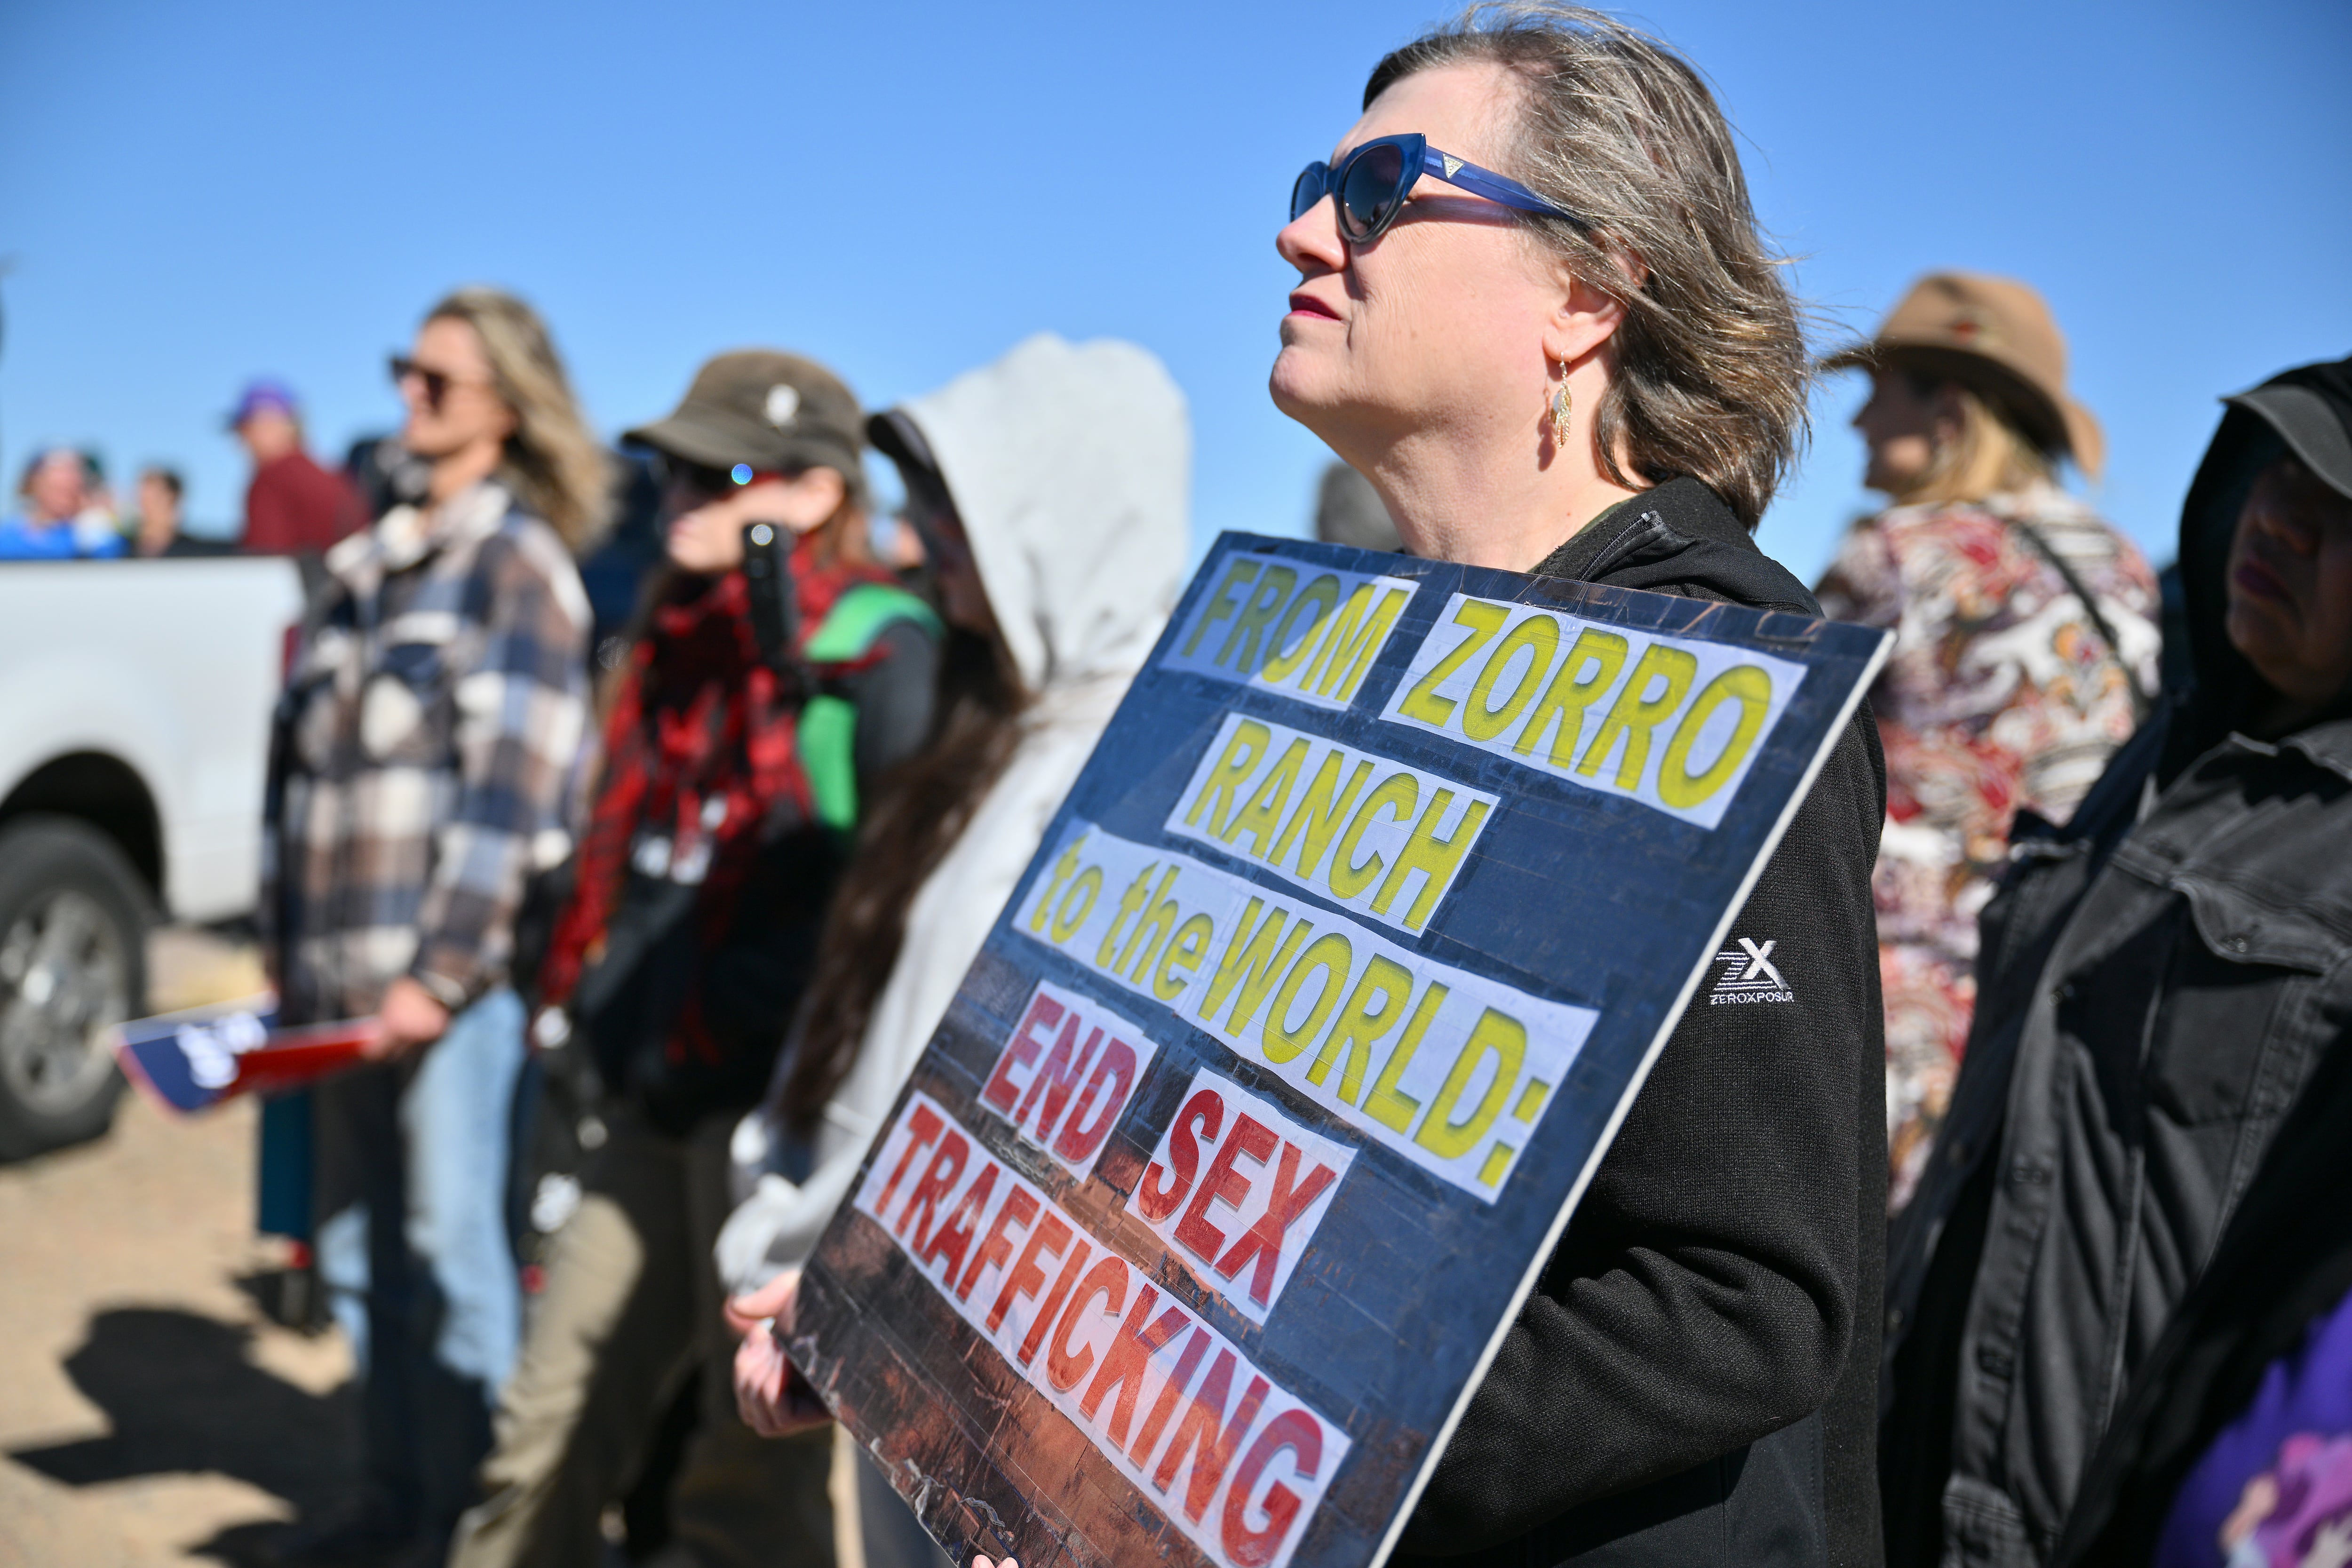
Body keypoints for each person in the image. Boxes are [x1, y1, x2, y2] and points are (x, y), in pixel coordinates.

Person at [979, 11, 1889, 1568]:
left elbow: (1738, 1302)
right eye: (1314, 187)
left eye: (1382, 190)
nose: (1301, 233)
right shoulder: (1322, 663)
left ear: (1588, 292)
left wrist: (1224, 1456)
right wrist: (919, 1310)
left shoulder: (1712, 690)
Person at [445, 350, 944, 1568]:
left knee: (746, 1474)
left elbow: (890, 913)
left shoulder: (879, 650)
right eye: (668, 472)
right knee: (543, 1428)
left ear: (816, 494)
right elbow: (624, 858)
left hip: (778, 1125)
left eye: (715, 475)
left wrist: (790, 672)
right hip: (649, 1097)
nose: (675, 499)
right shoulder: (672, 636)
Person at [715, 334, 1188, 1568]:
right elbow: (880, 1038)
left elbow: (1023, 1111)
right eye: (924, 505)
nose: (923, 540)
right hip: (884, 1316)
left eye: (958, 508)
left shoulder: (1147, 772)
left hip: (998, 1367)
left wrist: (843, 1278)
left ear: (1062, 517)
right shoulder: (994, 729)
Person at [1879, 355, 2352, 1568]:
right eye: (2271, 473)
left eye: (2337, 509)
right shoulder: (2166, 748)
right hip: (1920, 1461)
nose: (2279, 521)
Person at [263, 287, 602, 1568]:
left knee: (451, 1257)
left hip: (443, 998)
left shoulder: (516, 568)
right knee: (356, 1252)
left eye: (438, 379)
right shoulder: (361, 569)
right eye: (404, 370)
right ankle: (391, 1503)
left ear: (506, 408)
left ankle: (476, 1533)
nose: (409, 393)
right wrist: (290, 959)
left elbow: (513, 801)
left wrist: (442, 975)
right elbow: (297, 785)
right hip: (337, 997)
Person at [1814, 273, 2161, 1209]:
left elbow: (1778, 756)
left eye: (1879, 392)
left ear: (1951, 414)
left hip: (1888, 1006)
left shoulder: (1893, 556)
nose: (1858, 421)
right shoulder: (2123, 571)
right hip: (2051, 1013)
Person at [233, 377, 364, 557]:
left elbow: (264, 560)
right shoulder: (335, 477)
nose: (242, 441)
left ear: (270, 426)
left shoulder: (272, 480)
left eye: (246, 429)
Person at [0, 445, 126, 557]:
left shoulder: (92, 538)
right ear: (33, 484)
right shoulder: (8, 536)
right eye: (57, 489)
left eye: (72, 488)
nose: (69, 480)